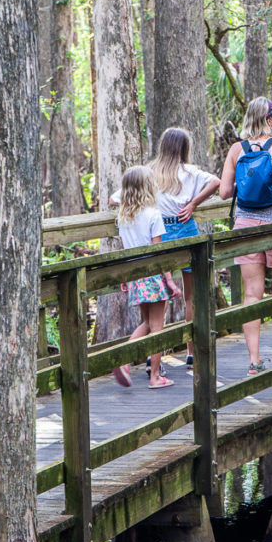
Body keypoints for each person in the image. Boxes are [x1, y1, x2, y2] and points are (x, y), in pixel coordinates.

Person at [219, 97, 272, 371]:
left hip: (245, 227)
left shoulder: (236, 150)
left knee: (252, 295)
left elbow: (224, 193)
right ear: (269, 119)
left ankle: (254, 360)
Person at [149, 128, 220, 372]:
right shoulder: (190, 172)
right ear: (184, 148)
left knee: (160, 295)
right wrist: (193, 204)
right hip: (185, 228)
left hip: (160, 232)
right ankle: (191, 353)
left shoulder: (150, 172)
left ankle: (154, 354)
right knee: (190, 296)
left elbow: (118, 199)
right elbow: (216, 182)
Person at [112, 165, 181, 389]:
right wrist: (169, 280)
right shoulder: (153, 215)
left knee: (147, 323)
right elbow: (158, 254)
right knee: (157, 327)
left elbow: (125, 251)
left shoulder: (123, 217)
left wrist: (125, 277)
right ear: (148, 187)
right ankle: (153, 376)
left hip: (135, 276)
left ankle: (125, 359)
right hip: (153, 275)